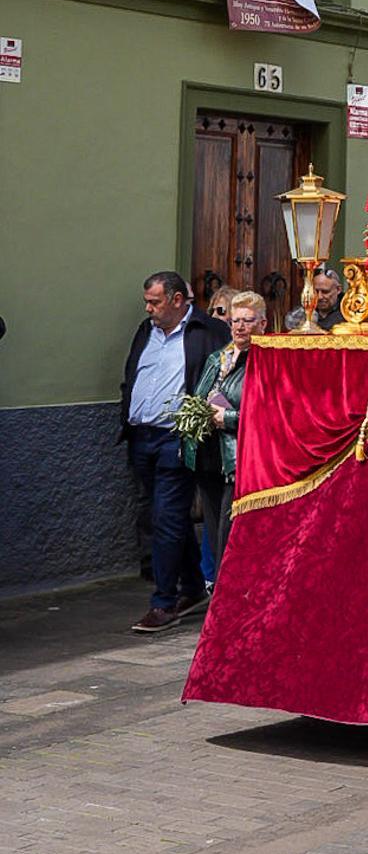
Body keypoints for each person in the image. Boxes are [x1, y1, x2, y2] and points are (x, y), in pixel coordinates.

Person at [120, 271, 230, 633]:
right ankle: (194, 587)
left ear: (178, 300)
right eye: (147, 302)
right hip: (142, 435)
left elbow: (221, 378)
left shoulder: (206, 331)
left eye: (155, 302)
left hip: (176, 437)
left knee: (167, 516)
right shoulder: (145, 330)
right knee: (165, 516)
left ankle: (163, 601)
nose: (149, 309)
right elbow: (134, 372)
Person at [186, 290, 266, 578]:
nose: (240, 327)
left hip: (237, 457)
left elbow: (269, 414)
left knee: (228, 532)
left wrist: (228, 418)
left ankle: (225, 599)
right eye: (235, 321)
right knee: (213, 532)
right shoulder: (217, 357)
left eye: (248, 321)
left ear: (263, 324)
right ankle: (217, 592)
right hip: (209, 454)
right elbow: (198, 395)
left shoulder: (264, 362)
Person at [312, 265, 344, 330]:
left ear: (338, 290)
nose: (319, 297)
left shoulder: (348, 312)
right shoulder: (305, 311)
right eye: (316, 292)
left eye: (325, 292)